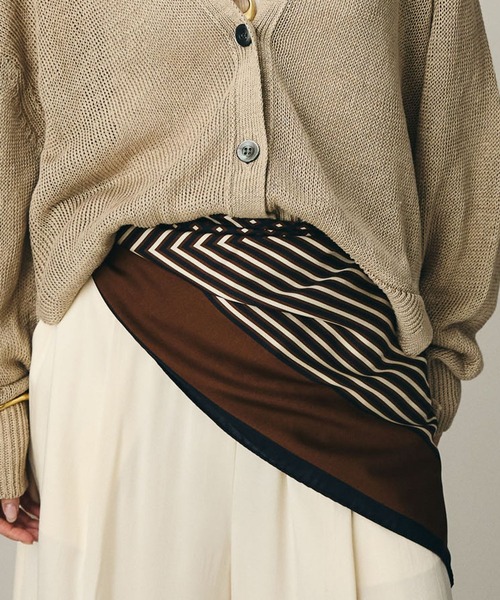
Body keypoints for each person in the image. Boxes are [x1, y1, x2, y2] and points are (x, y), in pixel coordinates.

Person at [0, 0, 499, 598]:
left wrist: (440, 364)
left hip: (354, 368)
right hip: (122, 364)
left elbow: (461, 140)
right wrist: (5, 399)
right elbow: (9, 132)